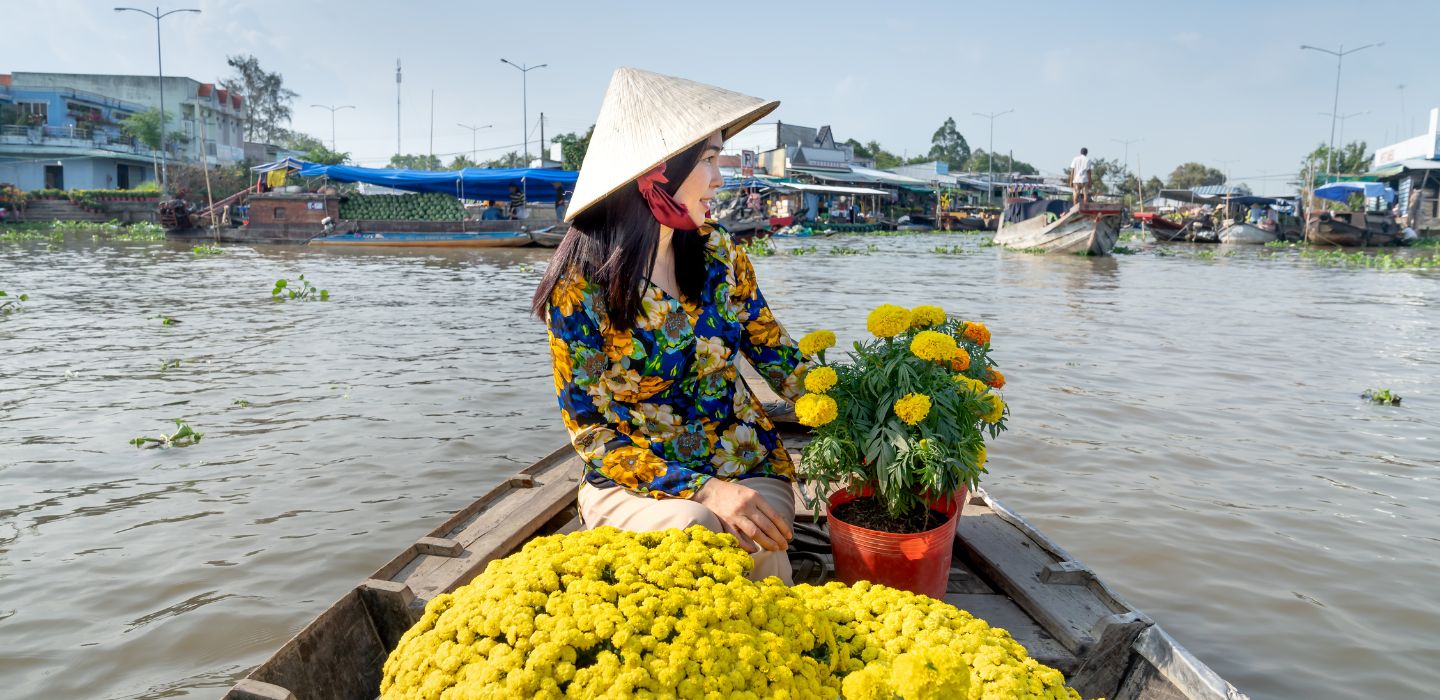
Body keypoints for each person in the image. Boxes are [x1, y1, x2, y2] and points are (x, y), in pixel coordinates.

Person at [532, 67, 805, 584]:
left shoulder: (720, 254)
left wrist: (865, 404)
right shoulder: (581, 287)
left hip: (742, 461)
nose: (719, 179)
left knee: (758, 544)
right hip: (635, 481)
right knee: (697, 530)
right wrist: (702, 490)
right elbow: (590, 431)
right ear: (657, 175)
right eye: (707, 160)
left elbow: (779, 357)